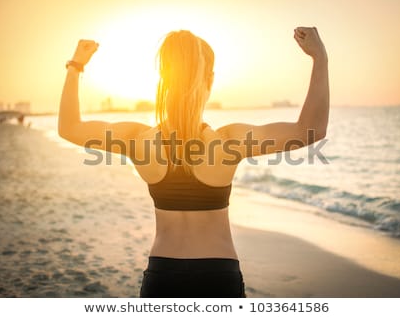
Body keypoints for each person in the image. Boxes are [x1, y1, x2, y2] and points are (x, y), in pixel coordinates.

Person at [58, 27, 329, 297]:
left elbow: (69, 127)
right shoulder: (229, 142)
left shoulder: (136, 139)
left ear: (164, 78)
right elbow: (311, 128)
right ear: (209, 80)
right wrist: (320, 59)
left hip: (162, 276)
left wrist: (76, 65)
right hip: (218, 276)